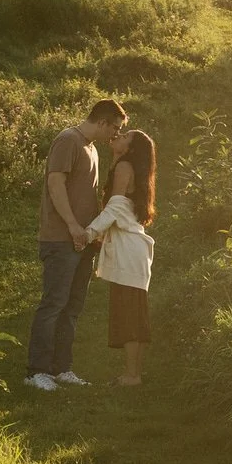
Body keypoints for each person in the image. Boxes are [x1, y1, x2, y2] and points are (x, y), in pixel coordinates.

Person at [26, 98, 125, 391]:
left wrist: (91, 233)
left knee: (72, 307)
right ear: (103, 122)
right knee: (53, 303)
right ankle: (36, 372)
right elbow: (55, 184)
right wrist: (71, 225)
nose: (116, 135)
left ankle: (61, 368)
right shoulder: (68, 140)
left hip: (83, 241)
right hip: (60, 237)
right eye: (115, 128)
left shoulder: (92, 148)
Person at [83, 128, 157, 386]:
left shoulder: (124, 166)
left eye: (125, 136)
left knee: (131, 311)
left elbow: (115, 208)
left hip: (129, 250)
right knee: (131, 310)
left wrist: (89, 232)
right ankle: (132, 374)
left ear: (130, 148)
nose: (118, 136)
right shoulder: (124, 166)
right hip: (130, 248)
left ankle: (132, 375)